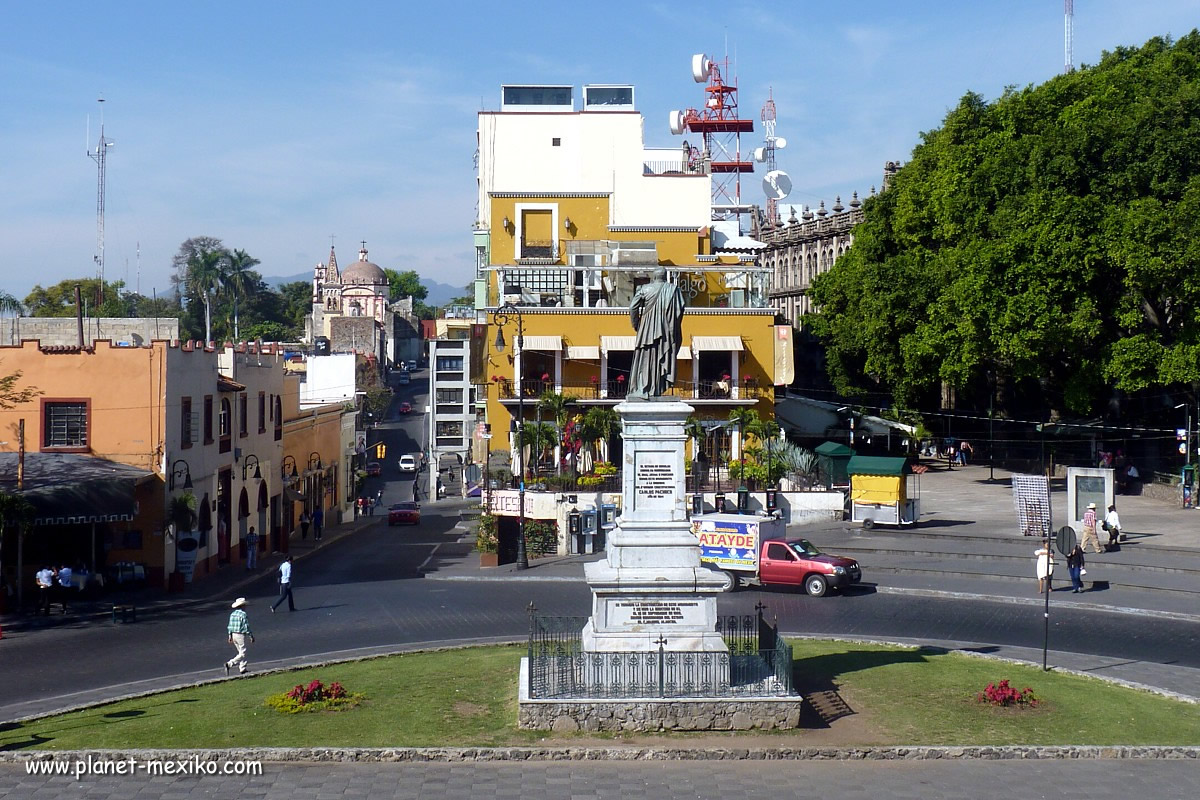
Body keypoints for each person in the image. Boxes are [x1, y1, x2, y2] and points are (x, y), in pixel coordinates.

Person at [627, 267, 685, 399]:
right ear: (665, 277)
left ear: (654, 277)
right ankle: (656, 387)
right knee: (660, 355)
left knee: (646, 357)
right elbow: (679, 311)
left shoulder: (644, 289)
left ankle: (645, 387)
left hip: (646, 328)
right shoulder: (674, 290)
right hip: (666, 330)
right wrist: (673, 327)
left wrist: (637, 325)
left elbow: (632, 308)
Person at [224, 597, 255, 675]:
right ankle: (229, 664)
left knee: (240, 651)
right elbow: (246, 626)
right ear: (242, 606)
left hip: (233, 634)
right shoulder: (243, 614)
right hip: (240, 635)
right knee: (242, 653)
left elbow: (229, 626)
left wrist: (230, 636)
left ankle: (242, 668)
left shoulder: (232, 614)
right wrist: (251, 635)